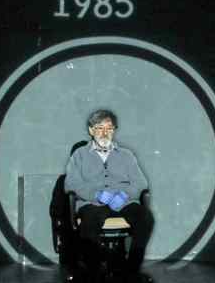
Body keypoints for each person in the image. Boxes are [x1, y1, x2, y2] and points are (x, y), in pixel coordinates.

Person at [64, 109, 154, 272]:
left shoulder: (127, 155)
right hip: (93, 204)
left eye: (109, 128)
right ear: (91, 130)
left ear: (114, 131)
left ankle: (132, 267)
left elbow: (141, 182)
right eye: (99, 128)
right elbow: (71, 183)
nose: (104, 133)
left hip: (124, 202)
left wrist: (125, 195)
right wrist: (96, 195)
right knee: (89, 224)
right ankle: (95, 270)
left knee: (146, 218)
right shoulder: (79, 155)